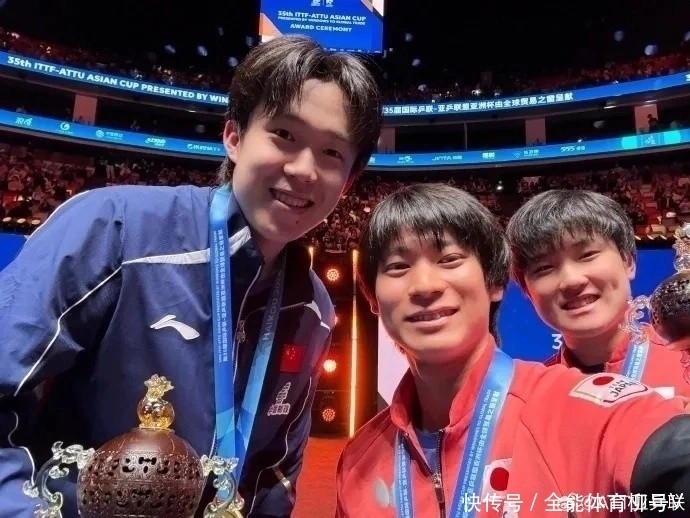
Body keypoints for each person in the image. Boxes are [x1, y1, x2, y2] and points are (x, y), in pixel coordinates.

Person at [0, 35, 382, 517]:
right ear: (234, 137)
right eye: (284, 134)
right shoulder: (115, 230)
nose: (305, 169)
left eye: (331, 153)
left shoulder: (314, 309)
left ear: (348, 183)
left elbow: (273, 473)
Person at [336, 183, 690, 518]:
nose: (425, 285)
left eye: (450, 259)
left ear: (494, 283)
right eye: (398, 267)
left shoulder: (582, 409)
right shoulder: (357, 460)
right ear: (372, 298)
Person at [506, 189, 690, 398]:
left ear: (628, 261)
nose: (571, 281)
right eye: (544, 268)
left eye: (587, 255)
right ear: (527, 291)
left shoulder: (685, 357)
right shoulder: (531, 398)